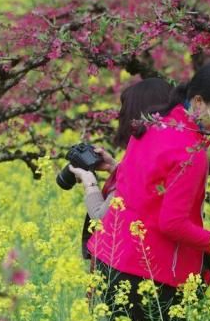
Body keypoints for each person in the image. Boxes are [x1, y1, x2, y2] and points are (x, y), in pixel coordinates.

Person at [85, 60, 210, 321]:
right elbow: (172, 223)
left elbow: (137, 183)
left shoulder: (151, 122)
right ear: (199, 101)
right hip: (147, 274)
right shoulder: (190, 152)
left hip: (111, 260)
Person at [67, 77, 174, 231]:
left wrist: (89, 182)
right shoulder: (180, 149)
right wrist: (116, 167)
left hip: (142, 252)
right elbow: (144, 187)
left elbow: (102, 218)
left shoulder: (142, 158)